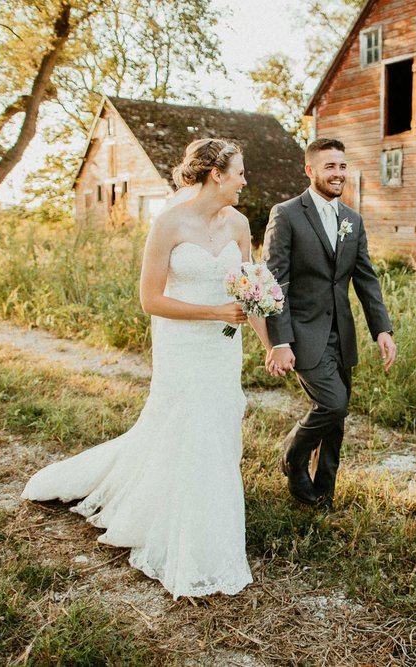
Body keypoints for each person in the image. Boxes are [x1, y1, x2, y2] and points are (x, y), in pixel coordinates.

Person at [22, 138, 270, 599]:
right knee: (187, 426)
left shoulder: (239, 223)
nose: (244, 179)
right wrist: (214, 314)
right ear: (217, 174)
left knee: (215, 428)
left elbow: (250, 291)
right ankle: (188, 541)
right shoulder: (169, 223)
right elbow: (150, 299)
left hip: (221, 351)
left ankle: (206, 518)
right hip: (183, 345)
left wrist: (271, 346)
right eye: (239, 171)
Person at [262, 138, 396, 509]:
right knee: (333, 405)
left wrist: (382, 329)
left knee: (337, 424)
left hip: (343, 333)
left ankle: (321, 496)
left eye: (342, 166)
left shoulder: (352, 220)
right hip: (304, 333)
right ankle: (293, 454)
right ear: (310, 171)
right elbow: (275, 284)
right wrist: (280, 340)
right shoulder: (286, 214)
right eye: (329, 166)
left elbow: (365, 278)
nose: (338, 173)